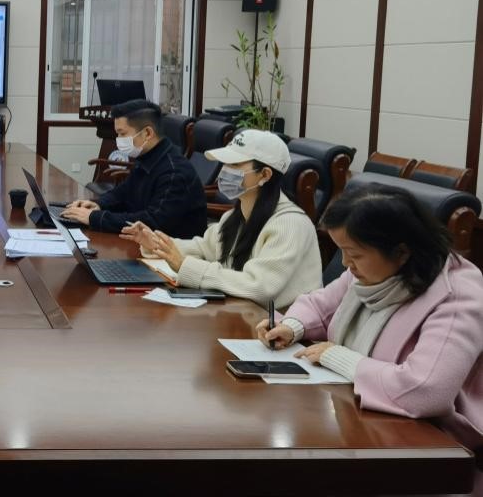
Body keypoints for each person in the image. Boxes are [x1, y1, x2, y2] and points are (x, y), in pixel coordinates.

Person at [257, 184, 483, 469]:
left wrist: (339, 358)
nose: (346, 263)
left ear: (402, 252)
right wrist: (292, 327)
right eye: (342, 251)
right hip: (357, 415)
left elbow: (425, 391)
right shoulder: (370, 272)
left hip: (432, 445)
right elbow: (321, 305)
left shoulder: (457, 296)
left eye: (354, 254)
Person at [120, 129, 321, 309]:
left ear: (265, 175)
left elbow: (259, 287)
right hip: (242, 317)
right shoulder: (233, 217)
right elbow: (203, 248)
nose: (225, 171)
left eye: (235, 164)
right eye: (225, 164)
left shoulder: (291, 224)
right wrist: (156, 244)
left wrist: (185, 266)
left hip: (280, 330)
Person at [60, 99, 207, 238]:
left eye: (122, 133)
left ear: (147, 133)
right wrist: (99, 204)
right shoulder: (147, 157)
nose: (118, 139)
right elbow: (123, 192)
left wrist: (95, 218)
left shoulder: (174, 173)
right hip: (146, 244)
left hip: (173, 251)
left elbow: (152, 222)